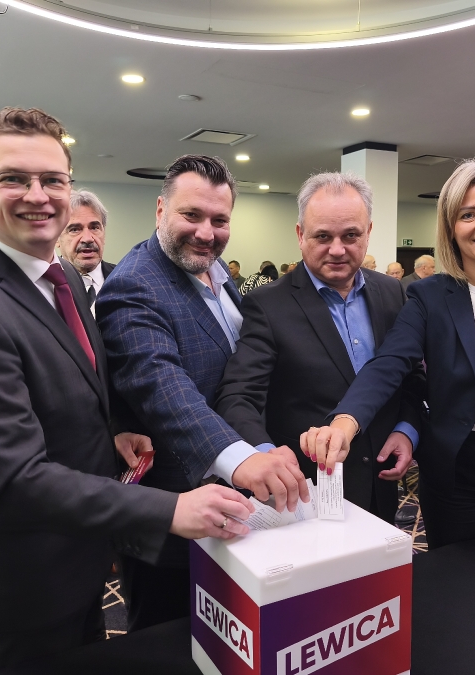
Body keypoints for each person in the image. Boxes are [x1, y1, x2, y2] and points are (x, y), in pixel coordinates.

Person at [0, 109, 253, 672]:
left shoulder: (62, 276)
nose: (38, 195)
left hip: (82, 552)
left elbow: (81, 383)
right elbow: (14, 480)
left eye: (53, 180)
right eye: (13, 178)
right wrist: (169, 508)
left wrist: (116, 428)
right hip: (27, 572)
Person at [301, 158, 475, 560]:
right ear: (451, 227)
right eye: (467, 214)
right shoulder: (430, 295)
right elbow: (390, 362)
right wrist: (345, 421)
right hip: (457, 472)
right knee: (458, 585)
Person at [96, 154, 309, 633]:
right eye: (191, 215)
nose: (206, 233)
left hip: (235, 501)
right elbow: (162, 386)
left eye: (220, 220)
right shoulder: (134, 283)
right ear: (160, 210)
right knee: (170, 638)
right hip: (173, 508)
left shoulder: (218, 273)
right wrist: (240, 457)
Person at [215, 173, 424, 523]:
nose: (337, 249)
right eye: (323, 236)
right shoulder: (268, 305)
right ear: (300, 235)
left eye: (351, 235)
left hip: (382, 479)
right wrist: (264, 454)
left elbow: (411, 375)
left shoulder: (392, 293)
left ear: (368, 232)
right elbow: (238, 396)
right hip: (305, 489)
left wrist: (407, 430)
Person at [57, 189, 115, 317]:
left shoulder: (125, 279)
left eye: (94, 228)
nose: (88, 239)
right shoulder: (44, 284)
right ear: (56, 238)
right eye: (75, 229)